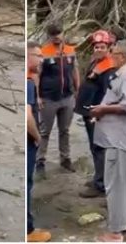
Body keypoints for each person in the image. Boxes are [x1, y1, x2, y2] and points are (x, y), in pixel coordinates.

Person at [90, 40, 126, 242]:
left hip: (120, 137)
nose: (110, 56)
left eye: (113, 53)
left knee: (115, 184)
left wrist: (102, 109)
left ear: (122, 56)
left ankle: (115, 232)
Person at [77, 30, 118, 198]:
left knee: (99, 148)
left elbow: (107, 94)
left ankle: (100, 183)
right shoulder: (97, 62)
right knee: (95, 148)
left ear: (108, 47)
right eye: (96, 47)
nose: (98, 49)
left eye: (102, 47)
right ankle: (98, 177)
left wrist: (98, 113)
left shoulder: (109, 68)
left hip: (97, 113)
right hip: (90, 111)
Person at [36, 23, 80, 176]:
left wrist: (77, 89)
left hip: (67, 97)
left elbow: (75, 70)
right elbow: (37, 75)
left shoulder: (70, 51)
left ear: (63, 33)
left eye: (58, 33)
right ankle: (40, 161)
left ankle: (65, 158)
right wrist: (37, 96)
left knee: (65, 130)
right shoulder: (43, 52)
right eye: (53, 34)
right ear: (49, 35)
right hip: (48, 97)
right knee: (44, 131)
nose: (56, 36)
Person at [26, 42, 51, 242]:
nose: (42, 60)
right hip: (28, 140)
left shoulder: (31, 80)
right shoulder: (26, 82)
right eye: (38, 55)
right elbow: (27, 118)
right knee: (26, 182)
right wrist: (37, 136)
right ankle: (28, 231)